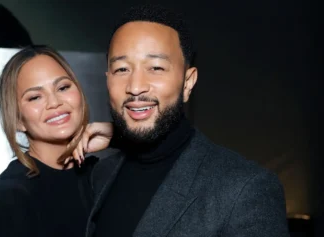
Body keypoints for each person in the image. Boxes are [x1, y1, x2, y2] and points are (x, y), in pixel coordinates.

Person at [75, 4, 290, 237]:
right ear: (108, 79)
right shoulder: (101, 175)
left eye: (156, 67)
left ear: (187, 83)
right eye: (122, 69)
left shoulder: (244, 189)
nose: (135, 87)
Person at [0, 45, 97, 237]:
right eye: (35, 97)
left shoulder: (103, 174)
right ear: (18, 119)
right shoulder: (13, 191)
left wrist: (117, 135)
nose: (54, 103)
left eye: (63, 87)